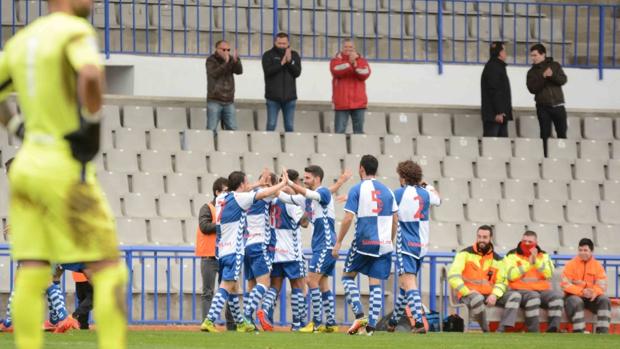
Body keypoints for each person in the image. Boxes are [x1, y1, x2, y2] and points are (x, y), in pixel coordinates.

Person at [0, 1, 128, 348]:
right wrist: (92, 127)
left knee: (32, 269)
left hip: (26, 166)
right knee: (109, 268)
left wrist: (15, 125)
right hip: (62, 164)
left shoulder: (20, 41)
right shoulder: (74, 30)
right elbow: (89, 74)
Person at [200, 170, 288, 333]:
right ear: (241, 184)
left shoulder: (221, 198)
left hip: (221, 249)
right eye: (246, 182)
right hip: (235, 249)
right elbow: (264, 194)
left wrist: (258, 184)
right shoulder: (242, 199)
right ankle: (210, 320)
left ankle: (240, 322)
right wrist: (282, 183)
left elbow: (248, 190)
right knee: (230, 285)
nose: (249, 185)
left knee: (234, 288)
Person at [332, 155, 398, 336]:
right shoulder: (388, 191)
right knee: (375, 282)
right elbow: (395, 221)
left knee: (347, 277)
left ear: (361, 169)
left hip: (363, 242)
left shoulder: (357, 189)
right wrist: (389, 241)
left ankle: (360, 315)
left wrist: (338, 242)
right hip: (383, 244)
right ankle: (371, 327)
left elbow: (348, 218)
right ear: (375, 170)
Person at [286, 166, 345, 333]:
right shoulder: (308, 199)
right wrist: (278, 187)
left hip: (325, 246)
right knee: (323, 284)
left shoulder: (323, 192)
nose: (305, 181)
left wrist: (290, 182)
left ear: (318, 179)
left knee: (311, 281)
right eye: (303, 178)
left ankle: (317, 322)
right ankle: (331, 323)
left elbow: (307, 194)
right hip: (322, 246)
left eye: (308, 178)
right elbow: (287, 198)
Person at [388, 160, 441, 334]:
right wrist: (426, 185)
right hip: (422, 245)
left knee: (409, 282)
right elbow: (438, 199)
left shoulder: (398, 193)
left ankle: (418, 322)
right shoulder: (426, 193)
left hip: (406, 245)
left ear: (403, 177)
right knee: (405, 285)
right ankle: (393, 322)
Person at [257, 169, 309, 332]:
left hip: (274, 250)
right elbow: (304, 223)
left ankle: (264, 311)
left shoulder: (271, 200)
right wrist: (307, 207)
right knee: (297, 287)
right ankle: (296, 324)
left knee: (275, 287)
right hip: (291, 250)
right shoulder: (290, 201)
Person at [447, 225, 521, 333]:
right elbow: (453, 276)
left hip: (488, 295)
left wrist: (494, 294)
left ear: (490, 238)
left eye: (485, 237)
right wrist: (466, 291)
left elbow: (502, 281)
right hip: (468, 294)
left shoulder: (498, 260)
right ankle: (486, 331)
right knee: (477, 298)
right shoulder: (464, 254)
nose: (481, 240)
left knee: (515, 296)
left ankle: (501, 330)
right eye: (479, 236)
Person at [501, 231, 563, 332]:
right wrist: (528, 265)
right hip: (520, 290)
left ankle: (553, 330)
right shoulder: (511, 255)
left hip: (542, 291)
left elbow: (550, 274)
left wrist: (536, 262)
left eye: (530, 242)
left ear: (536, 242)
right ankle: (534, 331)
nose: (527, 244)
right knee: (533, 296)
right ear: (521, 241)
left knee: (557, 297)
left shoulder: (544, 255)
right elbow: (510, 275)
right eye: (524, 241)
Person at [196, 177, 235, 330]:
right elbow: (204, 226)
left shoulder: (229, 208)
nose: (227, 194)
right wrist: (224, 225)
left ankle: (231, 325)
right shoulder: (207, 207)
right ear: (217, 192)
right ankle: (208, 323)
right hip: (209, 256)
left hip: (224, 255)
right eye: (225, 191)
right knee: (208, 292)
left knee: (228, 291)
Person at [242, 171, 278, 327]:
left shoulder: (246, 195)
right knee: (264, 283)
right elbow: (277, 192)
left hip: (247, 244)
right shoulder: (264, 195)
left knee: (251, 286)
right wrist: (276, 183)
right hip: (260, 243)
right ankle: (247, 316)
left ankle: (247, 322)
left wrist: (259, 183)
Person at [561, 238, 611, 333]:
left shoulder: (598, 266)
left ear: (591, 251)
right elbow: (565, 284)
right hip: (573, 296)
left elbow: (602, 285)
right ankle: (579, 331)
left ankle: (603, 332)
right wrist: (581, 292)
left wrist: (594, 292)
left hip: (592, 297)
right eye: (580, 250)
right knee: (576, 301)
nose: (582, 253)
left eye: (585, 250)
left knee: (605, 299)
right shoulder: (570, 264)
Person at [526, 43, 568, 157]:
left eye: (535, 55)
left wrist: (552, 75)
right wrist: (543, 77)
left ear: (543, 54)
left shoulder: (555, 65)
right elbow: (532, 89)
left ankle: (562, 155)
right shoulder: (531, 72)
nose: (532, 58)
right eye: (532, 55)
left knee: (562, 133)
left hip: (558, 105)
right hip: (543, 107)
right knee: (545, 134)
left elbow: (563, 80)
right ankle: (546, 156)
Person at [262, 32, 302, 132]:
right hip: (273, 98)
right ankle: (268, 145)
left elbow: (297, 72)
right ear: (275, 42)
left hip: (290, 98)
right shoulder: (268, 55)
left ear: (288, 43)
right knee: (271, 124)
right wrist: (281, 63)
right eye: (279, 43)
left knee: (289, 126)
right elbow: (268, 71)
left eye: (284, 44)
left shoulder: (294, 55)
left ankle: (290, 146)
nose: (282, 46)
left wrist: (290, 62)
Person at [330, 39, 371, 134]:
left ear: (354, 48)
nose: (348, 49)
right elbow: (336, 71)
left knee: (359, 133)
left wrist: (355, 64)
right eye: (345, 47)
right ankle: (338, 149)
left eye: (350, 47)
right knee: (339, 133)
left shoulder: (362, 61)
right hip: (341, 103)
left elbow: (365, 74)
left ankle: (359, 149)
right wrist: (350, 63)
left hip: (359, 103)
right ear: (342, 48)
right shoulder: (335, 60)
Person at [206, 40, 243, 131]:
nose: (226, 52)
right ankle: (210, 145)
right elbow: (214, 74)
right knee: (212, 128)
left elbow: (239, 71)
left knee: (232, 127)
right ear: (217, 49)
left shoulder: (231, 59)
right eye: (223, 49)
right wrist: (225, 63)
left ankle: (230, 145)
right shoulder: (211, 60)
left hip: (229, 100)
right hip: (214, 100)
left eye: (228, 50)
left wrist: (237, 61)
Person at [481, 41, 513, 138]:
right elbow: (494, 91)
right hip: (495, 115)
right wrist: (499, 111)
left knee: (502, 146)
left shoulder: (497, 66)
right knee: (493, 145)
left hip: (499, 114)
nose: (506, 53)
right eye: (504, 51)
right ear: (500, 52)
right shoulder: (494, 67)